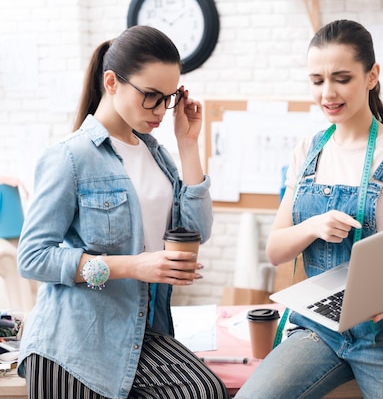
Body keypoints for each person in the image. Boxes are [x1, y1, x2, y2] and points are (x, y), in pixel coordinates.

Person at [16, 25, 228, 399]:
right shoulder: (69, 157)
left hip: (139, 332)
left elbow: (196, 231)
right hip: (73, 345)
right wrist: (133, 266)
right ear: (111, 82)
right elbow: (33, 258)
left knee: (204, 390)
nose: (161, 110)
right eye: (150, 96)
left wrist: (188, 144)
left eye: (169, 98)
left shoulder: (157, 156)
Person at [235, 19, 383, 399]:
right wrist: (314, 225)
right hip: (319, 327)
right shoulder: (308, 151)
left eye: (342, 78)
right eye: (317, 80)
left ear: (371, 75)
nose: (327, 92)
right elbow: (276, 250)